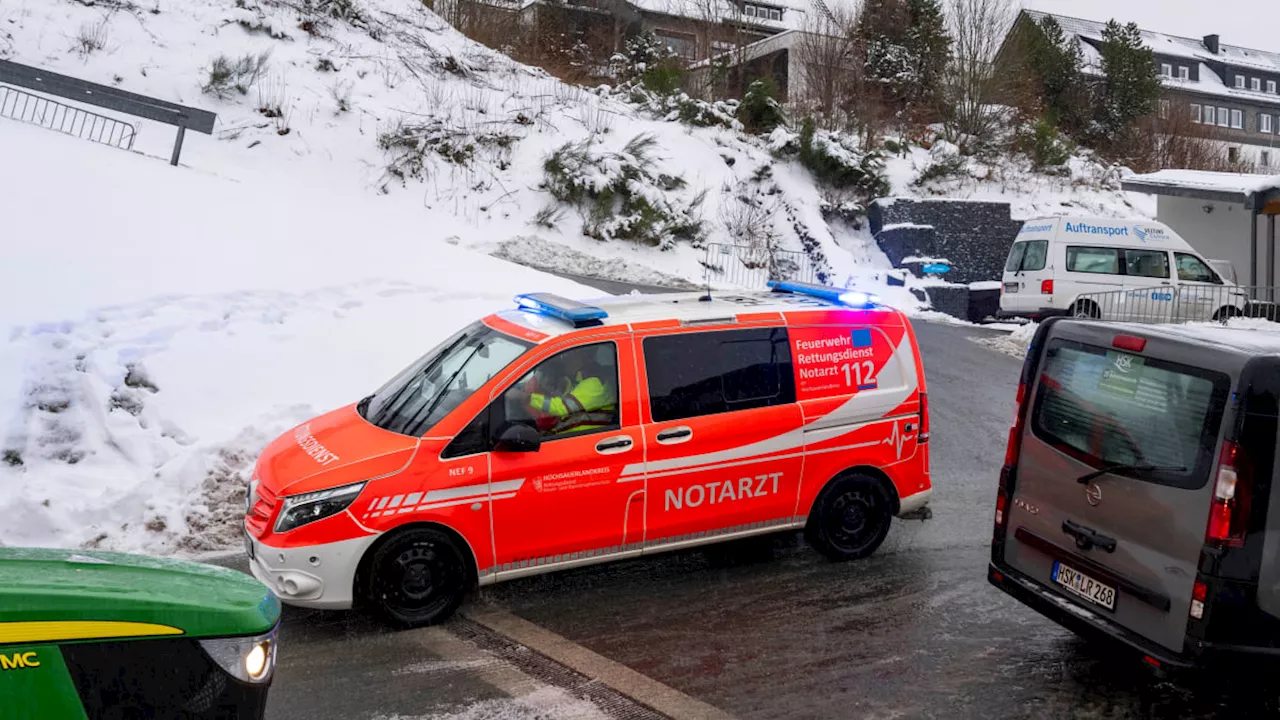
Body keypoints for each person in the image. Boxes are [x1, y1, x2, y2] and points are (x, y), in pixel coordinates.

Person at [522, 348, 617, 435]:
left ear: (582, 358)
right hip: (567, 437)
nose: (564, 361)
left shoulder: (594, 384)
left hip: (583, 443)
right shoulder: (574, 381)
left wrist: (525, 397)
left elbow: (561, 408)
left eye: (568, 356)